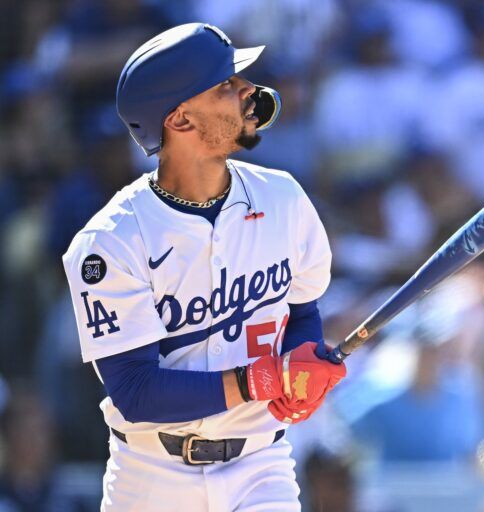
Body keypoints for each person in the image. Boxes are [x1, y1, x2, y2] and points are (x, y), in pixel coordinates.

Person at [60, 23, 346, 511]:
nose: (249, 92)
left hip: (261, 465)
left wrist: (302, 366)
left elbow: (301, 310)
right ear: (181, 119)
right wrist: (261, 379)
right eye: (226, 87)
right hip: (151, 476)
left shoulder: (284, 199)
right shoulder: (109, 241)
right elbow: (136, 390)